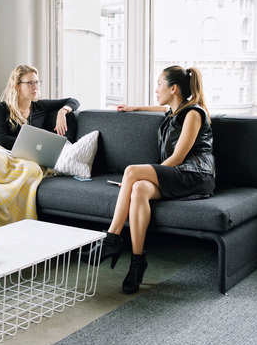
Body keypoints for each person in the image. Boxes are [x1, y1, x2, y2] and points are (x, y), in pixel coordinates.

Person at [87, 65, 214, 294]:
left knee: (132, 172)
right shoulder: (174, 111)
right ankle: (137, 261)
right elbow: (161, 107)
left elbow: (177, 158)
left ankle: (112, 238)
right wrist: (135, 107)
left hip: (196, 175)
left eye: (159, 84)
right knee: (139, 189)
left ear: (173, 88)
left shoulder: (193, 114)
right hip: (178, 175)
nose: (156, 89)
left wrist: (152, 173)